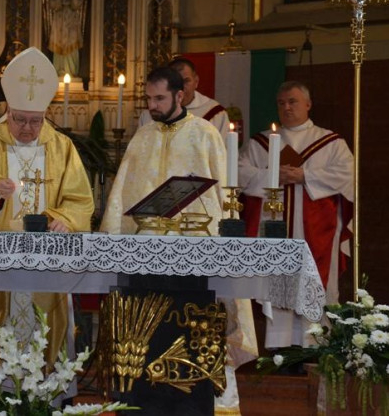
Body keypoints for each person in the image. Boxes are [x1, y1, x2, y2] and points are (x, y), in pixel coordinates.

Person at [101, 66, 255, 416]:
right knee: (146, 342)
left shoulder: (204, 134)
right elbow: (121, 197)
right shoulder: (142, 137)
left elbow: (220, 196)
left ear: (179, 96)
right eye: (148, 98)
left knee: (191, 334)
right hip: (144, 262)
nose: (152, 106)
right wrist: (114, 241)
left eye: (159, 98)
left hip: (192, 261)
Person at [0, 47, 94, 403]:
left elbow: (79, 199)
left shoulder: (62, 147)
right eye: (19, 120)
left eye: (35, 121)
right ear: (7, 112)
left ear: (45, 116)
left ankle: (44, 398)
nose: (27, 129)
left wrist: (64, 218)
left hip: (45, 262)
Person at [238, 80, 353, 347]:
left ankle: (315, 347)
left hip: (316, 230)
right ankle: (280, 350)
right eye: (281, 103)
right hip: (274, 229)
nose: (287, 108)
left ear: (308, 104)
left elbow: (347, 175)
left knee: (313, 285)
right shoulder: (261, 143)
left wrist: (305, 176)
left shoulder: (330, 142)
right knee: (277, 287)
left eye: (293, 102)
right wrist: (272, 176)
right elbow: (239, 171)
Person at [138, 57, 230, 138]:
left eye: (186, 81)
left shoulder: (215, 113)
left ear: (196, 82)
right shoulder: (149, 114)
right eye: (174, 82)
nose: (181, 87)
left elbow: (222, 150)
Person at [46, 0, 85, 77]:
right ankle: (59, 70)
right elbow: (52, 4)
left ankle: (71, 71)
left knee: (72, 44)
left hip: (71, 20)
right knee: (59, 44)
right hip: (59, 20)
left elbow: (77, 4)